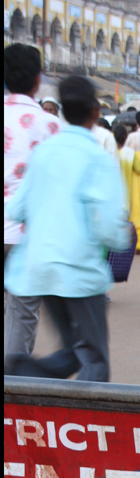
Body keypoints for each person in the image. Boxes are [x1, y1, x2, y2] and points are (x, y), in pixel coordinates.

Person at [4, 74, 130, 381]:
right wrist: (121, 237)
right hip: (79, 272)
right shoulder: (97, 158)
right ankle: (19, 373)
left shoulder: (44, 152)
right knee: (94, 362)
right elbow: (110, 229)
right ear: (95, 113)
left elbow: (16, 208)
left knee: (74, 353)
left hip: (39, 269)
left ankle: (20, 370)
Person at [4, 42, 61, 370]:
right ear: (38, 80)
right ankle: (11, 389)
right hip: (26, 234)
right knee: (22, 313)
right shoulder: (49, 125)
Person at [113, 122, 140, 214]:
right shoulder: (129, 153)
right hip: (125, 199)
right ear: (125, 137)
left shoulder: (109, 152)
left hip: (111, 200)